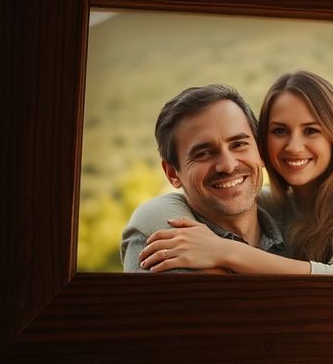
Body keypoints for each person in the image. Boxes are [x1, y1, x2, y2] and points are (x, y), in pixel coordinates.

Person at [138, 71, 333, 275]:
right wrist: (149, 216)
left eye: (311, 130)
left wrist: (224, 251)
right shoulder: (274, 205)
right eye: (279, 131)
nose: (294, 146)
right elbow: (166, 208)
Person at [119, 85, 289, 273]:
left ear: (261, 152)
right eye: (203, 153)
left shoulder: (300, 221)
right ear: (172, 173)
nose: (228, 166)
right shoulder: (162, 243)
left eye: (238, 144)